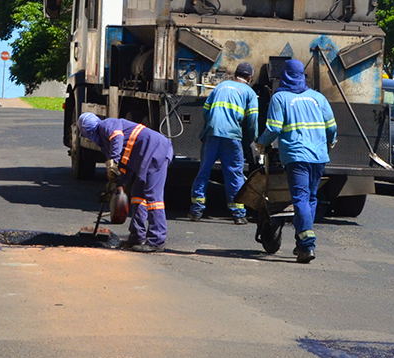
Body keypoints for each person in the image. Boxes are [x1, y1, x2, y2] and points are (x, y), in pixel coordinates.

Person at [254, 59, 336, 263]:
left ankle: (307, 243)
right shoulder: (318, 97)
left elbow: (273, 128)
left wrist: (260, 143)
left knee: (299, 198)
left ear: (284, 76)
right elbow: (331, 126)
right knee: (311, 198)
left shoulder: (280, 98)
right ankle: (303, 242)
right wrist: (330, 141)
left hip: (296, 155)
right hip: (318, 156)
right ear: (303, 76)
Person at [78, 112, 174, 252]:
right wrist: (111, 187)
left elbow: (117, 137)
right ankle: (136, 236)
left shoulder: (107, 125)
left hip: (156, 151)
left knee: (153, 197)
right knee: (137, 194)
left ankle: (157, 240)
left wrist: (113, 161)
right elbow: (123, 170)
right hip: (144, 158)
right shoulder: (106, 145)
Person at [190, 61, 259, 224]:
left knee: (204, 171)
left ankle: (196, 210)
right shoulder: (249, 92)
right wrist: (252, 139)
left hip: (212, 133)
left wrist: (211, 125)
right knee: (234, 173)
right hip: (232, 136)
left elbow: (206, 110)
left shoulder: (220, 87)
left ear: (235, 74)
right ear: (249, 77)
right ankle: (238, 214)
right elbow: (253, 119)